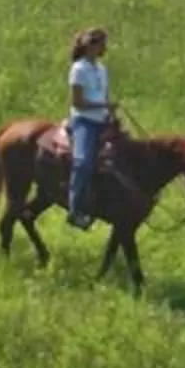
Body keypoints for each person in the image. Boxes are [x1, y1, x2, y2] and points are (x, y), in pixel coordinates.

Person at [64, 26, 115, 230]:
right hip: (84, 121)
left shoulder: (102, 69)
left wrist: (110, 111)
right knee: (83, 162)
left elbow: (103, 95)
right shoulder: (79, 69)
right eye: (102, 44)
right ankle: (75, 210)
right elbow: (77, 102)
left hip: (102, 119)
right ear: (91, 46)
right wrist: (103, 106)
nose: (105, 48)